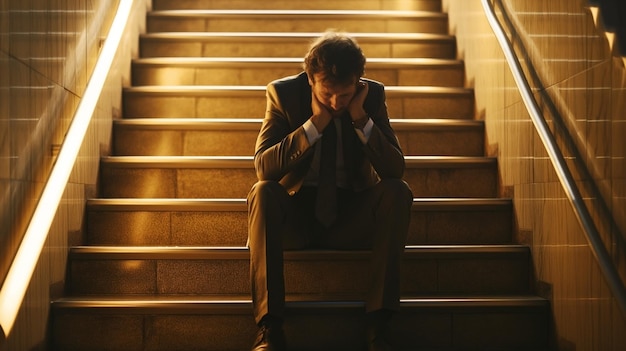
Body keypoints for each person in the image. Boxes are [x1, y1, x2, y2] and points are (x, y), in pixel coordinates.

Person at [247, 31, 413, 351]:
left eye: (346, 93)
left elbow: (394, 169)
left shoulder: (372, 97)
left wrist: (361, 118)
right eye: (328, 92)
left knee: (397, 191)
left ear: (359, 82)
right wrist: (315, 124)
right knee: (262, 191)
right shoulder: (283, 94)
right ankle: (270, 327)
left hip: (351, 213)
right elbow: (264, 168)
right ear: (311, 79)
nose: (337, 102)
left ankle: (378, 326)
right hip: (298, 215)